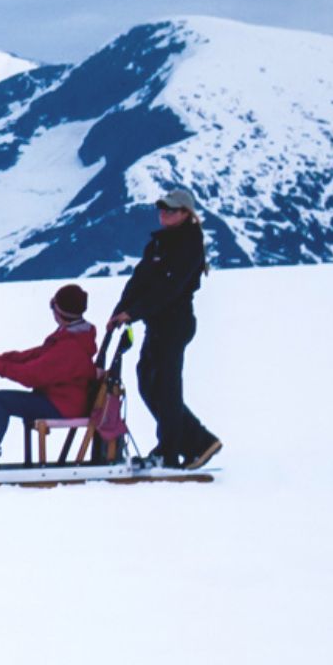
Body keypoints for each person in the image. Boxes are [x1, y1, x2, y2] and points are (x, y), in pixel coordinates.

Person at [109, 189, 221, 467]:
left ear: (186, 214)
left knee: (166, 388)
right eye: (162, 208)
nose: (164, 213)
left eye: (171, 210)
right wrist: (120, 311)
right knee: (149, 382)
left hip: (175, 323)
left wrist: (132, 313)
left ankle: (171, 451)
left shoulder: (187, 244)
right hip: (157, 323)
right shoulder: (160, 244)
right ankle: (198, 441)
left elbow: (169, 289)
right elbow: (140, 280)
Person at [0, 284, 100, 470]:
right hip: (62, 399)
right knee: (1, 399)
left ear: (59, 312)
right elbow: (32, 356)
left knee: (0, 400)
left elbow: (31, 376)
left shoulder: (69, 347)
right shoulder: (70, 336)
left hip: (62, 405)